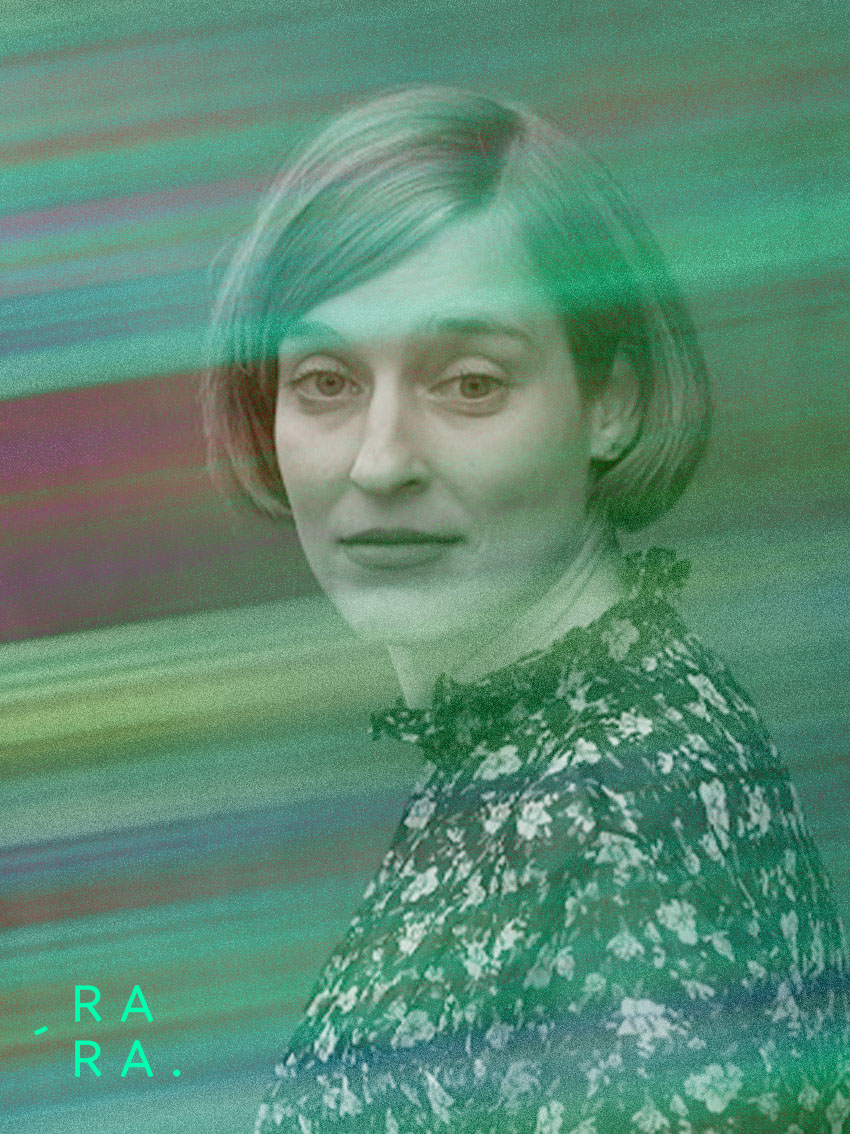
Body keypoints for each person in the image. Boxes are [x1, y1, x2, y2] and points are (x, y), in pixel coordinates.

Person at [201, 85, 850, 1133]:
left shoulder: (624, 821)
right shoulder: (541, 743)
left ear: (611, 404)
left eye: (468, 383)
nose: (380, 462)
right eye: (325, 381)